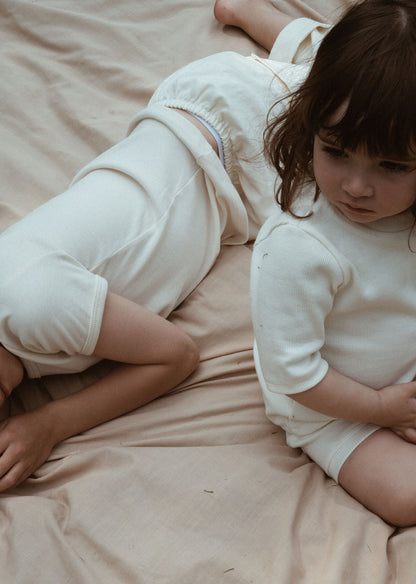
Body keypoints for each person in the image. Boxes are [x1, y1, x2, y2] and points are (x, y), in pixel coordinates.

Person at [0, 1, 330, 492]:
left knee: (367, 113)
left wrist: (50, 425)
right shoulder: (21, 341)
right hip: (202, 118)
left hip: (240, 140)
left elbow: (175, 356)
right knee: (334, 75)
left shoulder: (27, 302)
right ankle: (246, 13)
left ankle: (256, 15)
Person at [251, 0, 416, 527]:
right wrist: (383, 410)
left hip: (404, 373)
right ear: (310, 127)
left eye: (391, 165)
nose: (357, 187)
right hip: (332, 409)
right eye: (336, 151)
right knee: (408, 496)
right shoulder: (298, 247)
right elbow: (294, 376)